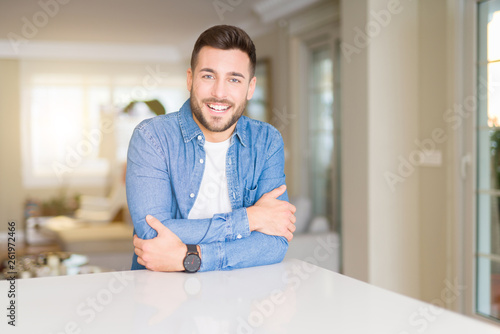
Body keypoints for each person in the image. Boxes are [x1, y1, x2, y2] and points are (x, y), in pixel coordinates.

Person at [127, 25, 296, 273]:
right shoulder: (152, 137)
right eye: (208, 76)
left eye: (234, 79)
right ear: (190, 78)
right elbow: (152, 233)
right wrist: (252, 219)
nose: (219, 92)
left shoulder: (267, 141)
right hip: (162, 300)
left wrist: (191, 258)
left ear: (250, 88)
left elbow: (276, 242)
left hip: (241, 303)